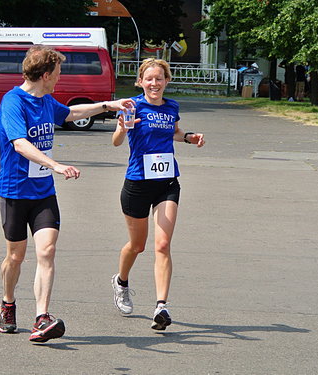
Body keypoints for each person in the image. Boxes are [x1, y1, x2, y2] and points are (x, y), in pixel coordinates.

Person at [0, 45, 134, 342]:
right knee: (16, 256)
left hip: (43, 193)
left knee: (46, 251)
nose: (60, 78)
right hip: (15, 192)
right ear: (45, 75)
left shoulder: (46, 101)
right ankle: (8, 303)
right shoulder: (13, 102)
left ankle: (41, 317)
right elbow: (20, 144)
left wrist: (109, 105)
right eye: (57, 73)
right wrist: (55, 165)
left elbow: (71, 113)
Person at [110, 58, 205, 331]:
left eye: (159, 78)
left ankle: (161, 306)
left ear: (167, 81)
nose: (154, 83)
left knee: (162, 245)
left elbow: (173, 132)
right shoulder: (133, 106)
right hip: (137, 184)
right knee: (137, 246)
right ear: (140, 81)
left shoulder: (172, 107)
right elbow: (116, 141)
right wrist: (122, 128)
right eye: (149, 78)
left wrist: (189, 137)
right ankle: (121, 282)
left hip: (166, 183)